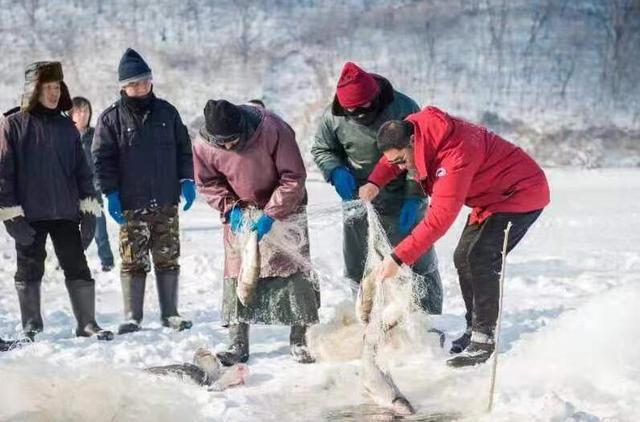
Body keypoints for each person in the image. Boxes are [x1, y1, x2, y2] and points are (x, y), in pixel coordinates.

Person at [360, 106, 550, 367]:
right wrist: (375, 182)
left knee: (482, 257)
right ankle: (473, 328)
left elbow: (438, 221)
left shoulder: (455, 156)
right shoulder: (414, 131)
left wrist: (397, 257)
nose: (401, 168)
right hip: (491, 196)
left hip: (521, 193)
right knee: (463, 257)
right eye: (396, 164)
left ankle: (483, 340)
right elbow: (391, 158)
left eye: (402, 161)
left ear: (413, 142)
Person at [193, 99, 319, 365]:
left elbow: (293, 177)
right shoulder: (203, 145)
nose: (228, 147)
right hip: (240, 211)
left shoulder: (272, 128)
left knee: (293, 267)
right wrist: (231, 209)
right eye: (222, 143)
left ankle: (300, 337)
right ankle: (237, 342)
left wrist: (271, 214)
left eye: (233, 140)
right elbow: (208, 183)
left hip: (284, 207)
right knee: (239, 271)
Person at [311, 61, 442, 314]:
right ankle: (368, 316)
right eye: (352, 110)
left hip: (402, 194)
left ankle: (427, 319)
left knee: (417, 258)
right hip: (360, 198)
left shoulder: (404, 107)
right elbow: (323, 148)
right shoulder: (332, 116)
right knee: (360, 261)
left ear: (375, 97)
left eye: (364, 107)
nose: (359, 114)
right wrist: (336, 170)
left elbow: (420, 153)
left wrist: (414, 195)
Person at [0, 61, 113, 341]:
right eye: (47, 87)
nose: (53, 93)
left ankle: (86, 323)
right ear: (34, 91)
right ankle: (32, 325)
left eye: (56, 87)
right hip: (29, 214)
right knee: (29, 267)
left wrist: (88, 207)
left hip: (65, 212)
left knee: (78, 265)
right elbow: (4, 173)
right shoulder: (12, 125)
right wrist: (11, 214)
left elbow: (82, 172)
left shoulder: (67, 127)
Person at [93, 48, 196, 335]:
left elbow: (184, 150)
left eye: (144, 81)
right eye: (133, 83)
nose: (140, 87)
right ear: (123, 87)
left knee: (168, 257)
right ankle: (132, 316)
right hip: (131, 202)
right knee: (132, 260)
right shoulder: (110, 119)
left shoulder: (168, 112)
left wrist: (187, 180)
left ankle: (170, 313)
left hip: (165, 199)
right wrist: (110, 192)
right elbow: (102, 160)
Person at [70, 96, 115, 272]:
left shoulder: (96, 135)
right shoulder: (64, 135)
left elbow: (105, 160)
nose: (83, 114)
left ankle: (107, 261)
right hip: (70, 192)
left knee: (99, 228)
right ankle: (71, 259)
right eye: (79, 111)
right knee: (69, 230)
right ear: (71, 113)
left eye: (86, 110)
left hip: (92, 191)